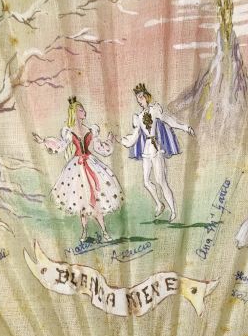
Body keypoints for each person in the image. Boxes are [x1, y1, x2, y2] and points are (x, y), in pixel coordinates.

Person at [37, 96, 121, 240]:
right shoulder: (69, 132)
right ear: (75, 113)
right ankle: (84, 231)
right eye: (81, 110)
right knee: (82, 201)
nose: (84, 112)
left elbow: (99, 147)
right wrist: (44, 141)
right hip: (77, 168)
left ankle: (104, 232)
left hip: (91, 164)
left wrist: (109, 141)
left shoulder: (91, 130)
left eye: (83, 110)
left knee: (96, 200)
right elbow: (61, 145)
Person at [120, 83, 193, 221]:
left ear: (147, 97)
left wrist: (185, 127)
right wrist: (121, 140)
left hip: (156, 148)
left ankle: (173, 211)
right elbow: (134, 137)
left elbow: (169, 121)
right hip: (146, 150)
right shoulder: (138, 117)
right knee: (146, 181)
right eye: (137, 98)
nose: (139, 100)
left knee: (161, 181)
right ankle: (159, 204)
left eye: (141, 97)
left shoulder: (155, 110)